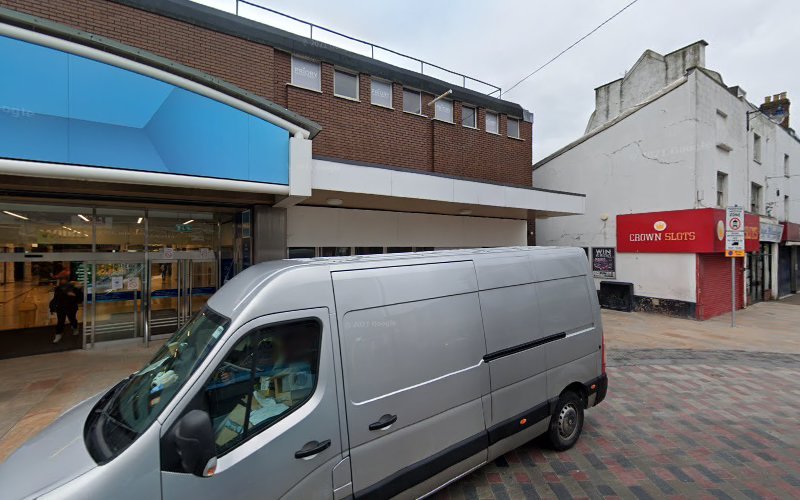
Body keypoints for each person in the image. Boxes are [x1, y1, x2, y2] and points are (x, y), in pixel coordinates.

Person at [49, 271, 83, 343]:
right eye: (61, 279)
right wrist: (52, 307)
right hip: (61, 308)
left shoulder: (74, 288)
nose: (62, 281)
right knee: (60, 321)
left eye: (64, 279)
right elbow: (56, 298)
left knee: (72, 319)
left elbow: (80, 299)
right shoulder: (59, 288)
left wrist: (75, 294)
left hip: (71, 307)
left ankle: (75, 327)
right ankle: (58, 334)